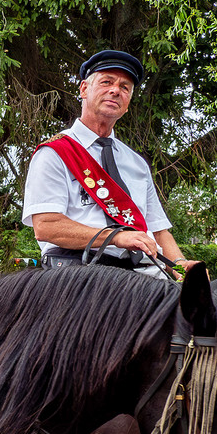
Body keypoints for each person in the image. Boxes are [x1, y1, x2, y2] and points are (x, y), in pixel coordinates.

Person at [22, 49, 188, 272]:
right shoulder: (54, 153)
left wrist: (182, 267)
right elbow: (46, 227)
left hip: (144, 275)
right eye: (106, 82)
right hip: (80, 273)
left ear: (128, 102)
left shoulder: (136, 163)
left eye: (124, 87)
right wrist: (116, 237)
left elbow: (159, 231)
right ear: (84, 89)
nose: (115, 91)